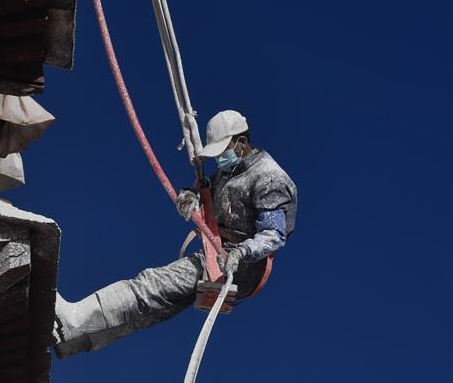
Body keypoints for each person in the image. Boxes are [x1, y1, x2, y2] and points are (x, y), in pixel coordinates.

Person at [53, 110, 297, 358]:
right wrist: (190, 195)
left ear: (242, 143)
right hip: (219, 254)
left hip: (242, 266)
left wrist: (243, 253)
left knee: (152, 283)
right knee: (159, 304)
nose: (219, 159)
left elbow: (274, 235)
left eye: (223, 150)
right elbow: (207, 187)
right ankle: (76, 339)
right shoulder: (230, 169)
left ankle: (73, 320)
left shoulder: (269, 178)